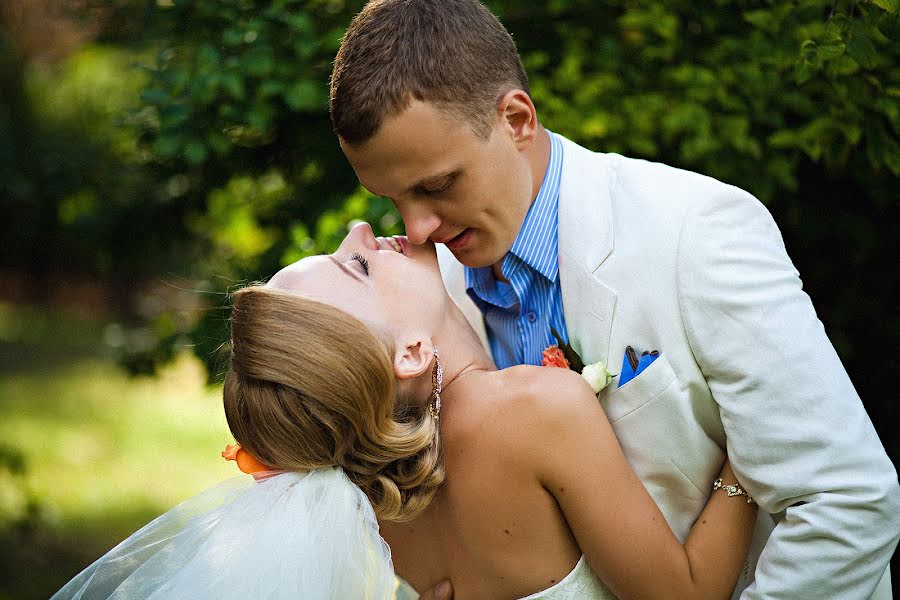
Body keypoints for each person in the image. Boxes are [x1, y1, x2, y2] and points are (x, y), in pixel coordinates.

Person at [328, 1, 900, 599]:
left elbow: (847, 501)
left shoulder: (698, 233)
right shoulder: (424, 303)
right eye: (392, 199)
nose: (417, 228)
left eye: (438, 186)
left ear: (517, 119)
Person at [53, 222, 759, 599]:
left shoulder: (371, 497)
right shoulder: (536, 409)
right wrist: (742, 453)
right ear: (412, 353)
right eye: (356, 265)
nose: (361, 229)